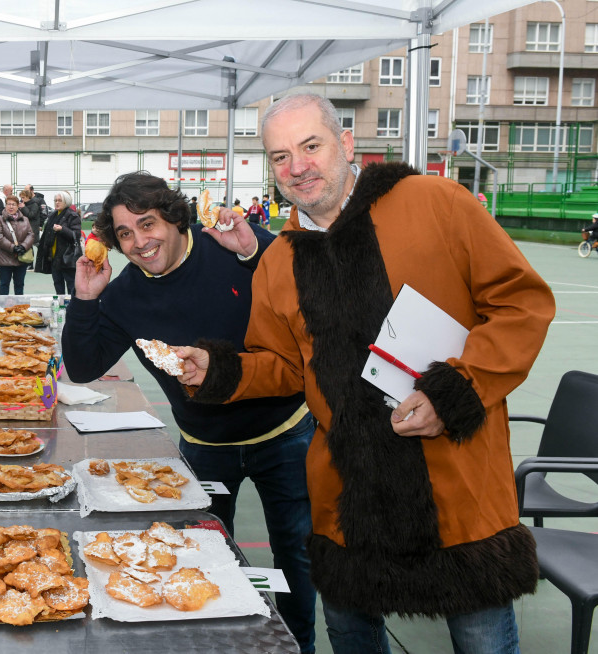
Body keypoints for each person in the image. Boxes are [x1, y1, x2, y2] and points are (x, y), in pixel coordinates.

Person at [178, 93, 556, 653]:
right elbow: (282, 366)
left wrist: (457, 390)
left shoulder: (436, 202)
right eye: (280, 156)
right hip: (346, 494)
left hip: (455, 482)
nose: (297, 166)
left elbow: (522, 304)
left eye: (311, 146)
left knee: (482, 639)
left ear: (347, 144)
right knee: (353, 637)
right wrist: (217, 369)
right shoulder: (279, 261)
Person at [64, 171, 318, 653]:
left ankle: (299, 646)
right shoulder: (123, 296)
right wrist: (85, 299)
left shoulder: (229, 248)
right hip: (204, 447)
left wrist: (255, 246)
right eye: (125, 233)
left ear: (176, 218)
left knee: (297, 560)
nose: (140, 242)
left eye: (148, 223)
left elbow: (303, 280)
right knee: (193, 562)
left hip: (284, 435)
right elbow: (81, 366)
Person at [36, 190, 82, 295]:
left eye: (60, 200)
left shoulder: (72, 215)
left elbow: (76, 235)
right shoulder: (52, 215)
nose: (57, 202)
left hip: (67, 258)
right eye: (55, 200)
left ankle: (72, 308)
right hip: (54, 258)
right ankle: (61, 307)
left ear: (66, 201)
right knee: (58, 285)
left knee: (71, 286)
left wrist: (62, 229)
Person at [0, 195, 33, 295]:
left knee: (19, 285)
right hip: (4, 258)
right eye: (8, 204)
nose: (11, 207)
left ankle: (19, 307)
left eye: (13, 204)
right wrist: (13, 247)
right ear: (5, 206)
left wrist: (23, 246)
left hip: (21, 258)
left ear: (18, 206)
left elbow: (30, 234)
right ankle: (3, 307)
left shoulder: (25, 219)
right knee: (4, 284)